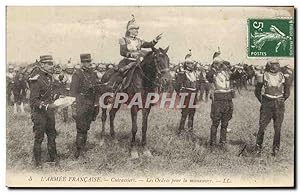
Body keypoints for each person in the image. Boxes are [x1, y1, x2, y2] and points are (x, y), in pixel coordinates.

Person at [113, 15, 162, 90]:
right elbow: (122, 52)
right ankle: (116, 90)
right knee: (120, 74)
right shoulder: (123, 39)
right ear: (130, 30)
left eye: (137, 29)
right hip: (127, 62)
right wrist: (131, 54)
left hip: (138, 62)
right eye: (135, 29)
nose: (137, 31)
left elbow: (149, 44)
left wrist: (155, 40)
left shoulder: (139, 40)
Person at [254, 60, 291, 156]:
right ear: (269, 65)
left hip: (279, 103)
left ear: (279, 65)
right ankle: (258, 148)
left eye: (276, 64)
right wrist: (263, 101)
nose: (274, 66)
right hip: (267, 102)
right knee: (262, 127)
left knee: (278, 127)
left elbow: (287, 92)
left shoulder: (283, 76)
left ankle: (275, 149)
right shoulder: (263, 75)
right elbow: (257, 91)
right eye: (272, 64)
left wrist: (282, 99)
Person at [29, 55, 59, 167]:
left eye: (52, 63)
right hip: (39, 113)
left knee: (52, 135)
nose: (51, 66)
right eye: (49, 64)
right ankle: (38, 163)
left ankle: (53, 159)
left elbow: (50, 94)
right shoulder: (36, 78)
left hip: (50, 113)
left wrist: (59, 97)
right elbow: (33, 101)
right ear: (42, 64)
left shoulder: (49, 77)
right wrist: (47, 106)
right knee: (39, 137)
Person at [70, 53, 99, 159]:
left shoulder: (93, 73)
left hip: (91, 103)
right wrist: (74, 108)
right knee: (81, 129)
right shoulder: (77, 74)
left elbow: (96, 88)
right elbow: (73, 92)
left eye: (89, 61)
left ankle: (82, 148)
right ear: (82, 63)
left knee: (86, 128)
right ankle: (79, 152)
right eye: (86, 62)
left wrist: (96, 103)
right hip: (81, 103)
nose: (88, 63)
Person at [206, 52, 235, 151]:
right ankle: (212, 144)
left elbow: (236, 76)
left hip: (228, 100)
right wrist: (215, 67)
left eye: (222, 64)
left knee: (225, 123)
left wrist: (229, 67)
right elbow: (208, 76)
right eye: (219, 64)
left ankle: (223, 142)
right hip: (218, 101)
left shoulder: (226, 73)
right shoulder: (213, 73)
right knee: (215, 122)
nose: (221, 66)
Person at [176, 50, 198, 134]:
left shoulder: (194, 73)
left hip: (193, 94)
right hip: (186, 94)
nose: (192, 65)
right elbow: (177, 85)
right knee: (185, 113)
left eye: (192, 64)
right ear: (187, 64)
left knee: (192, 112)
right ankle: (181, 129)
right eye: (190, 64)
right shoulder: (182, 73)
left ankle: (190, 129)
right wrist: (181, 94)